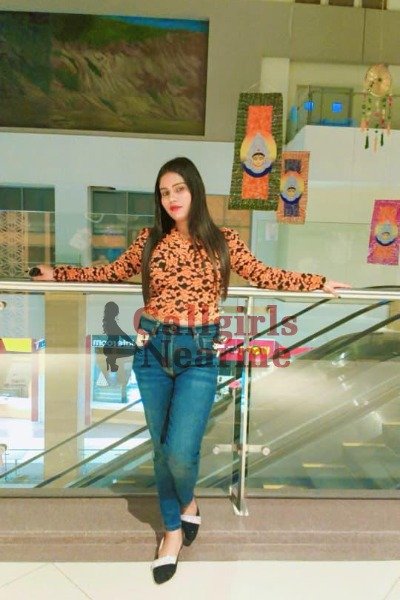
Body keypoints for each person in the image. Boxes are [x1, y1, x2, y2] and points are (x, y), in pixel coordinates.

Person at [32, 156, 350, 584]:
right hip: (151, 351)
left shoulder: (223, 241)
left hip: (199, 354)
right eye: (164, 192)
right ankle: (172, 530)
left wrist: (317, 281)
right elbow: (108, 272)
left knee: (181, 451)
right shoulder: (150, 240)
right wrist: (57, 273)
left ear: (194, 190)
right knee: (161, 449)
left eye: (178, 189)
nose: (171, 198)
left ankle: (186, 504)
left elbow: (263, 274)